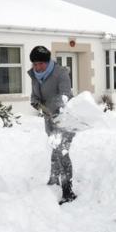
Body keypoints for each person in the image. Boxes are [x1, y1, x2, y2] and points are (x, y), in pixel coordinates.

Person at [27, 45, 77, 205]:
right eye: (35, 64)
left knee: (62, 152)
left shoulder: (60, 73)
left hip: (65, 119)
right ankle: (54, 178)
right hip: (50, 120)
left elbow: (65, 96)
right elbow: (35, 95)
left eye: (41, 63)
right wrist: (35, 102)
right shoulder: (35, 75)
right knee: (55, 149)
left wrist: (52, 107)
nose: (38, 67)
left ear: (48, 62)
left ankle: (67, 190)